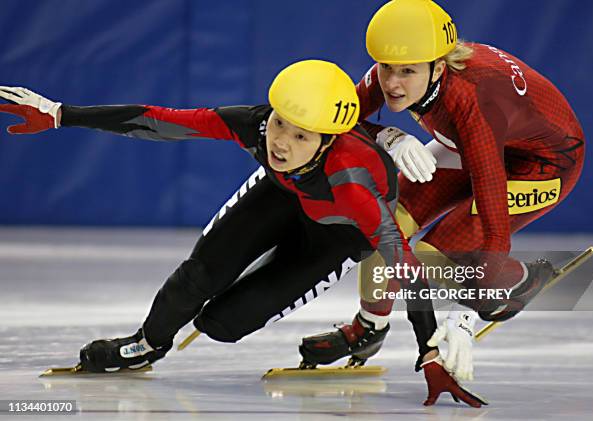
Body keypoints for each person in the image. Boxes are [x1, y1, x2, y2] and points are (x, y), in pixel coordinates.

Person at [0, 59, 486, 407]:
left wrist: (428, 350)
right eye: (280, 123)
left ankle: (367, 333)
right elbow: (160, 121)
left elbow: (403, 265)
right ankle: (145, 344)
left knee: (223, 324)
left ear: (327, 141)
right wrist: (64, 114)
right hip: (278, 195)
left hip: (336, 232)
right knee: (197, 280)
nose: (279, 141)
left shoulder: (353, 185)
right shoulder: (257, 127)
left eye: (300, 136)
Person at [305, 0, 585, 399]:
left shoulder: (473, 99)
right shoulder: (397, 67)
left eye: (407, 72)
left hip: (542, 164)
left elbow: (493, 220)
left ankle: (520, 282)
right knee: (383, 227)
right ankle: (369, 327)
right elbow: (338, 123)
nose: (393, 84)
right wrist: (388, 137)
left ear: (438, 67)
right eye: (386, 68)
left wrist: (466, 314)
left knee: (444, 258)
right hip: (472, 143)